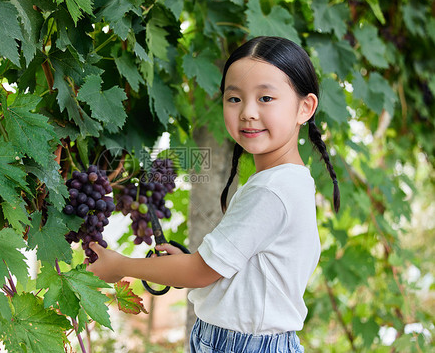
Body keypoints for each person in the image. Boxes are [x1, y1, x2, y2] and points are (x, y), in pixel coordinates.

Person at [87, 36, 341, 352]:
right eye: (234, 98)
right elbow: (239, 273)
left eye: (265, 98)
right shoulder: (289, 181)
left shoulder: (272, 190)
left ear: (305, 107)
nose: (248, 112)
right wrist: (188, 265)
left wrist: (121, 265)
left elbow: (202, 271)